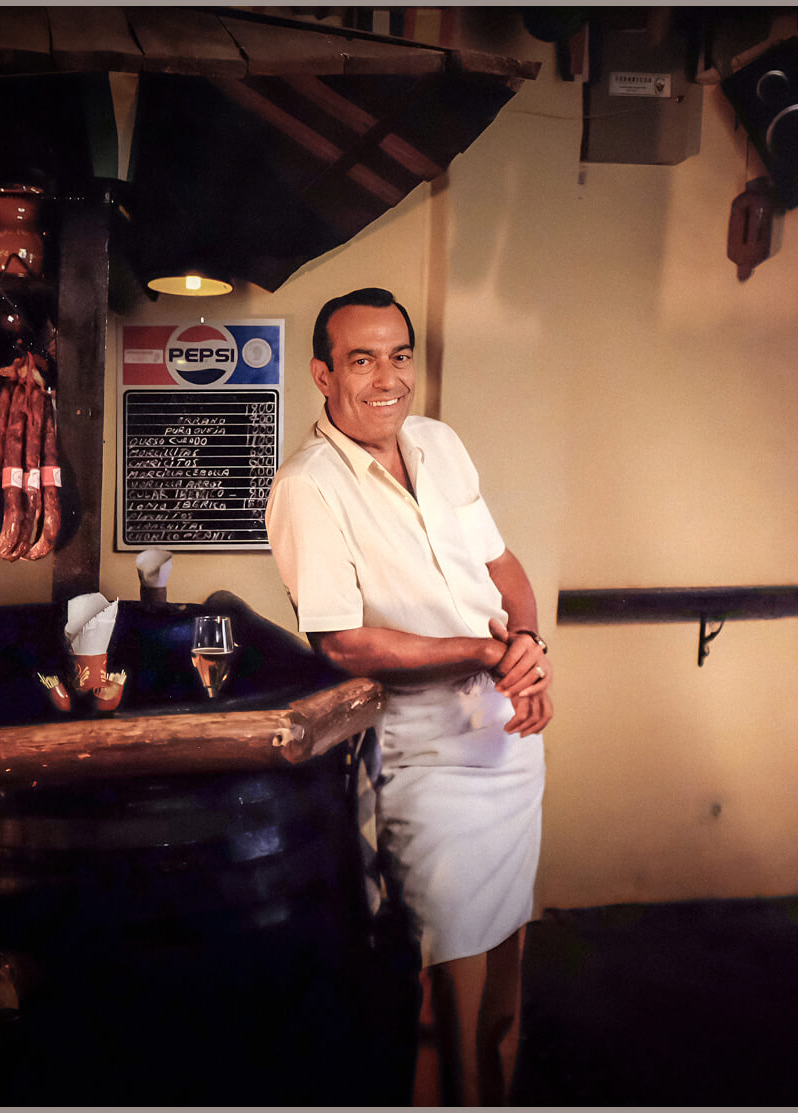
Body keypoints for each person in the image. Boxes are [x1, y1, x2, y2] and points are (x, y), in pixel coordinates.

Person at [265, 287, 553, 1105]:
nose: (387, 377)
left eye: (399, 355)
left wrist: (527, 650)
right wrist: (486, 650)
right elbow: (343, 641)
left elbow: (503, 568)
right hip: (425, 763)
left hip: (509, 745)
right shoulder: (306, 486)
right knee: (444, 989)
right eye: (362, 359)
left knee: (504, 976)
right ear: (323, 374)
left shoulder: (438, 441)